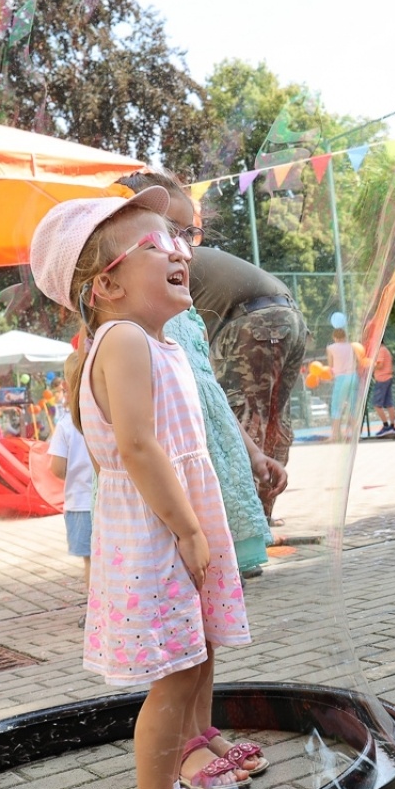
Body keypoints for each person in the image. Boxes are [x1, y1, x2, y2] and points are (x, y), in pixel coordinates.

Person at [30, 185, 250, 789]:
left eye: (179, 240)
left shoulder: (158, 341)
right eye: (158, 244)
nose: (181, 251)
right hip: (156, 529)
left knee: (190, 654)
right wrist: (187, 527)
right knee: (174, 670)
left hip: (169, 517)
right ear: (108, 284)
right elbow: (137, 444)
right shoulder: (123, 339)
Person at [122, 174, 306, 528]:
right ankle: (261, 515)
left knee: (244, 415)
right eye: (167, 229)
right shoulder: (169, 267)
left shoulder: (169, 269)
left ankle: (247, 519)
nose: (180, 247)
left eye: (187, 233)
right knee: (270, 419)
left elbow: (197, 372)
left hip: (254, 321)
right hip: (288, 316)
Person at [47, 409, 94, 587]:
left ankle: (94, 610)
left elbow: (58, 468)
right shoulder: (110, 415)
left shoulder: (66, 424)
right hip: (112, 499)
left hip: (80, 503)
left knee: (91, 560)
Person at [326, 327, 359, 443]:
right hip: (354, 376)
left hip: (341, 378)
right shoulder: (352, 346)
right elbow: (357, 361)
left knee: (336, 407)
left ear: (334, 337)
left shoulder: (331, 348)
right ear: (345, 336)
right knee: (353, 407)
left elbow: (331, 366)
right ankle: (356, 435)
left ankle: (335, 435)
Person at [370, 341, 395, 437]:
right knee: (389, 404)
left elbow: (380, 365)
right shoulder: (384, 349)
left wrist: (369, 366)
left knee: (377, 404)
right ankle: (392, 426)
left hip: (382, 379)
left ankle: (386, 426)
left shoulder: (381, 350)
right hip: (387, 378)